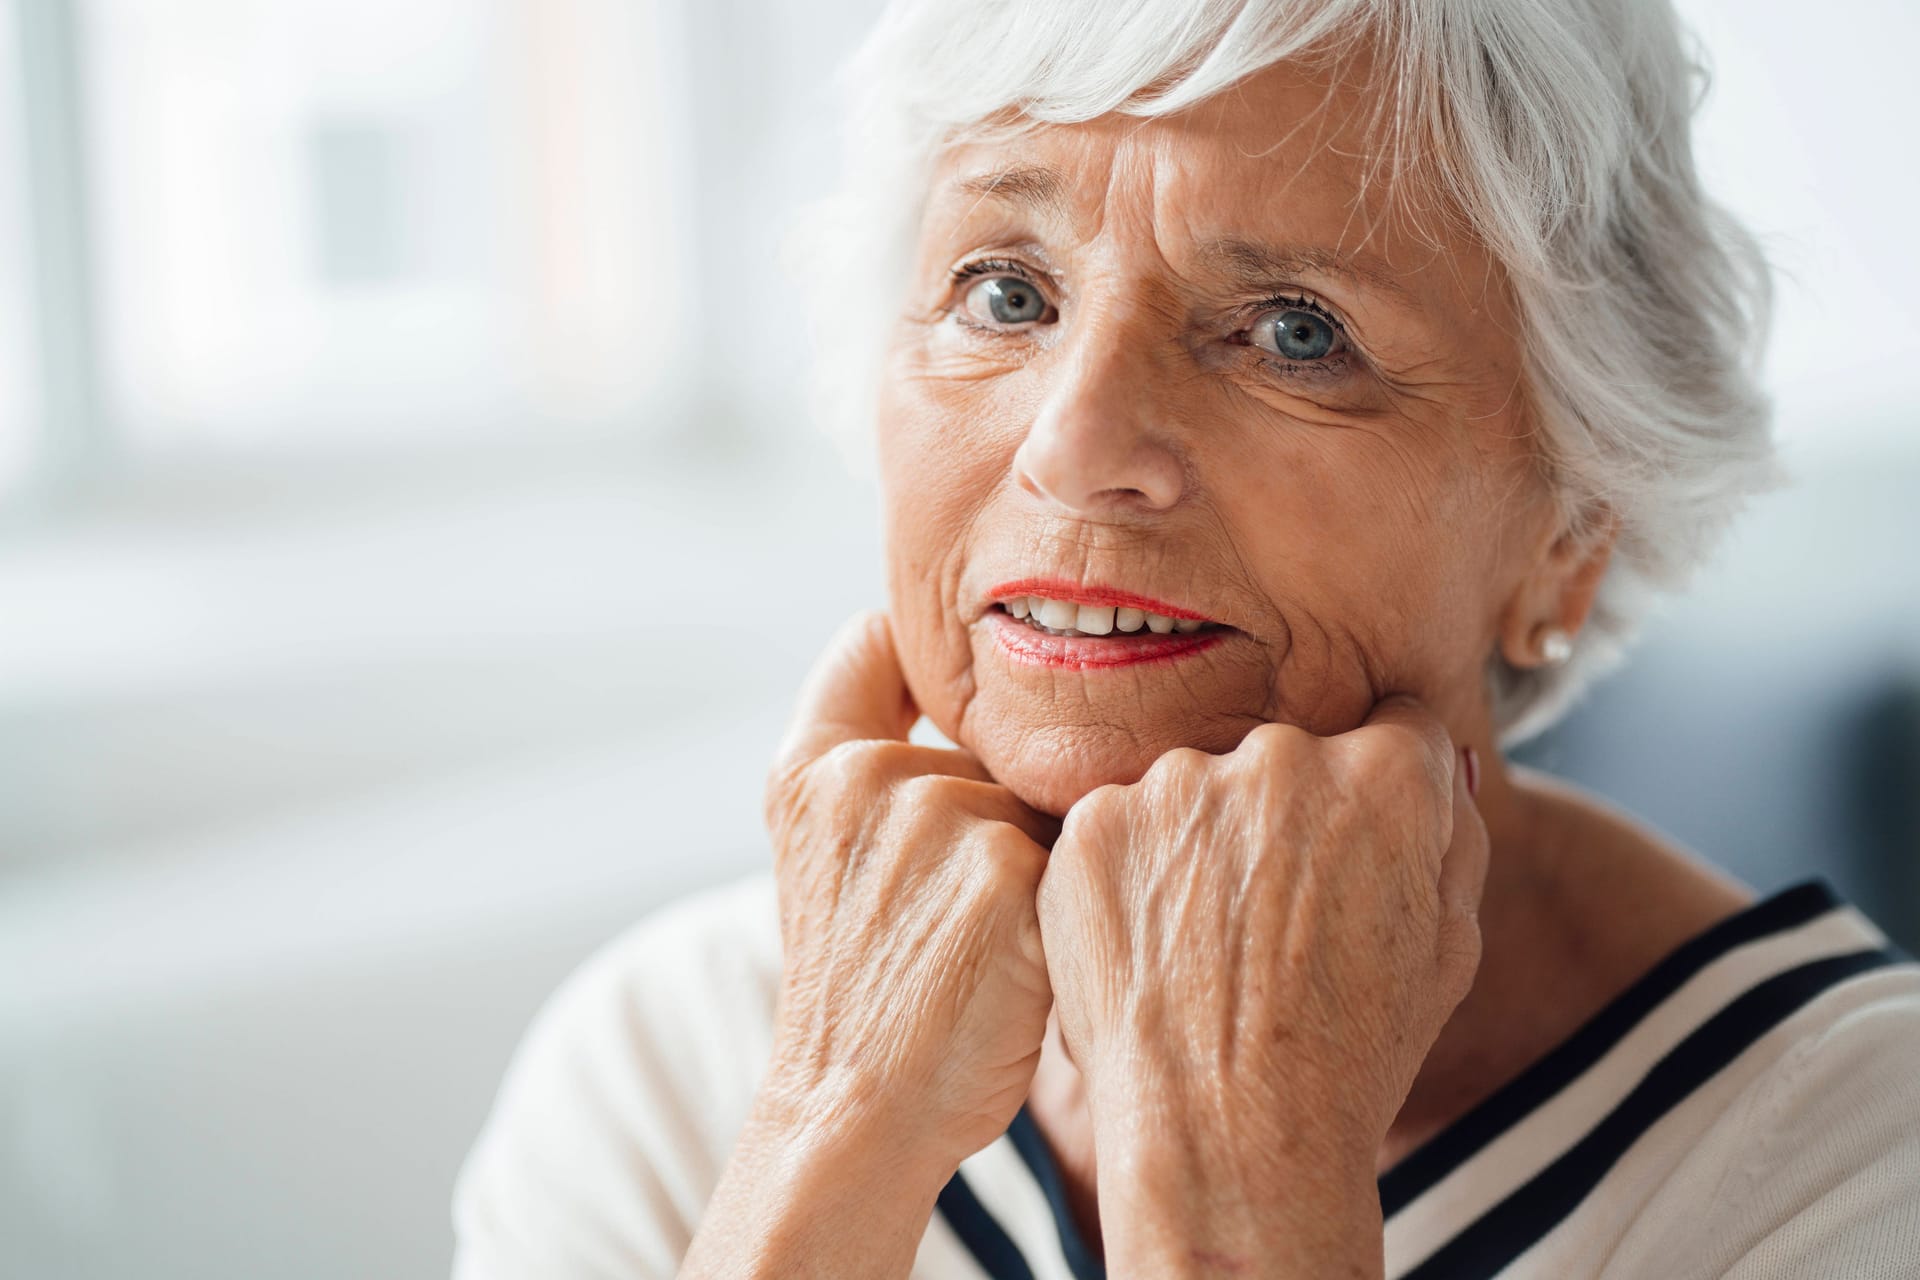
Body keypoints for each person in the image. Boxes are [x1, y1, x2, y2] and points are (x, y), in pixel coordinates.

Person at [451, 1, 1920, 1276]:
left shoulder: (1858, 1168)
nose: (1077, 442)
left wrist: (1239, 1163)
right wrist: (838, 1128)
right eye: (1006, 293)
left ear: (1570, 533)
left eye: (1294, 331)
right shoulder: (671, 1066)